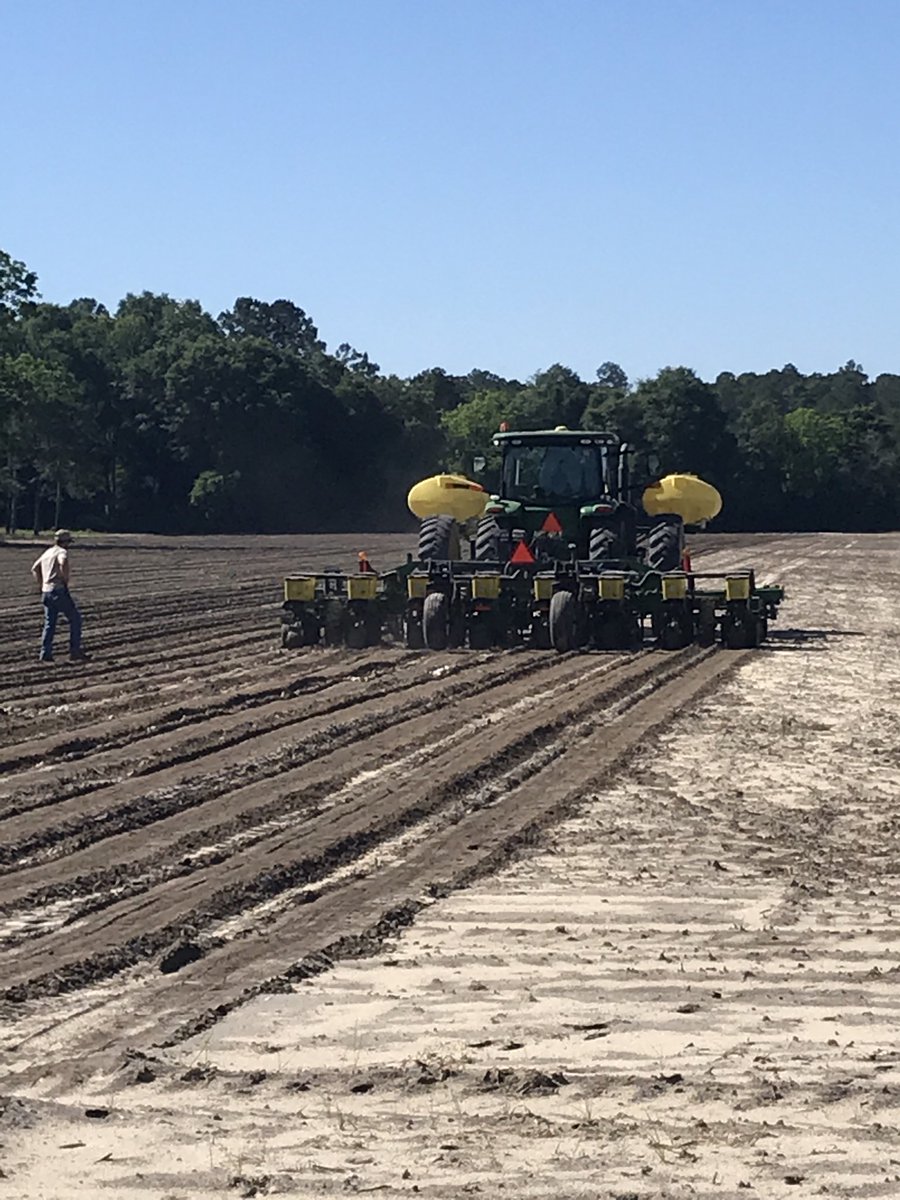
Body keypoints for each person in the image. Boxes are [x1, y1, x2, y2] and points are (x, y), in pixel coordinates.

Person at [31, 530, 87, 663]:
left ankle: (45, 653)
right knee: (75, 619)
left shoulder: (48, 552)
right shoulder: (62, 552)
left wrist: (42, 584)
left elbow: (34, 568)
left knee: (49, 624)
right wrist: (65, 579)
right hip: (59, 591)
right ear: (65, 542)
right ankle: (75, 652)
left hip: (46, 592)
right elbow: (63, 562)